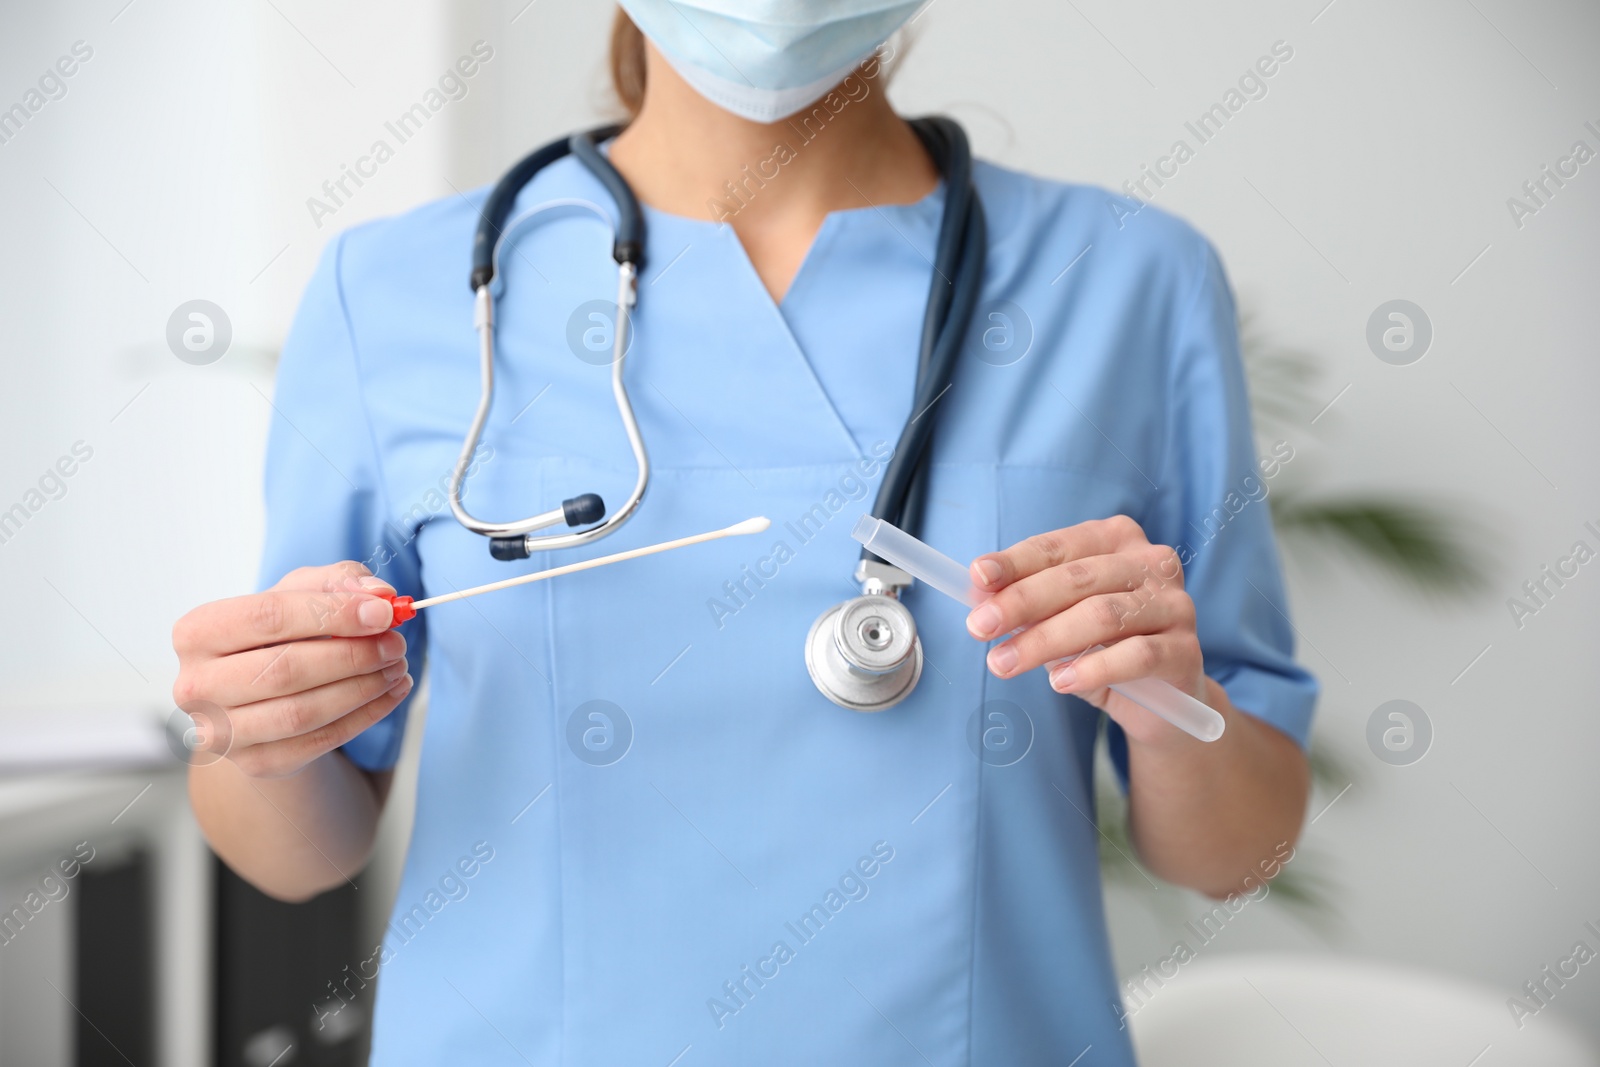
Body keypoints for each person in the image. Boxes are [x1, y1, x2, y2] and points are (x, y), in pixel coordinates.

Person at [172, 4, 1316, 1063]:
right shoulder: (395, 289)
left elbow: (1237, 849)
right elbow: (294, 848)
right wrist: (259, 726)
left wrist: (1171, 706)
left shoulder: (1126, 278)